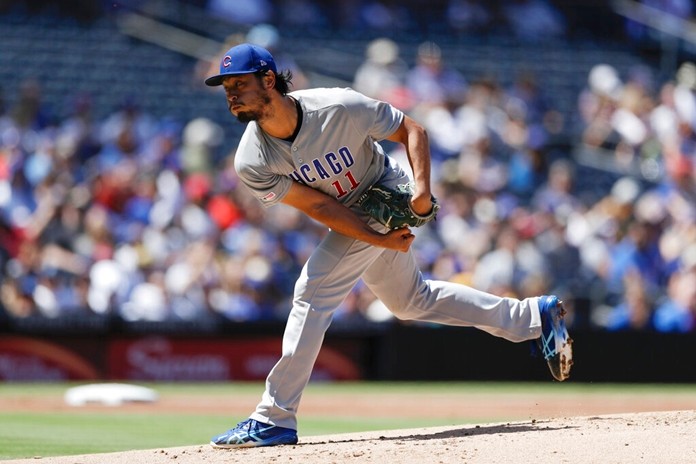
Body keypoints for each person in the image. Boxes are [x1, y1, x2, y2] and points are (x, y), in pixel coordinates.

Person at [204, 43, 573, 448]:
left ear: (269, 80)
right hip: (350, 212)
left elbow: (411, 130)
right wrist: (378, 239)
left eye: (239, 83)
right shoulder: (251, 159)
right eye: (227, 87)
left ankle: (274, 417)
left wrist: (422, 191)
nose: (231, 94)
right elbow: (319, 206)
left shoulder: (337, 106)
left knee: (312, 291)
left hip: (384, 190)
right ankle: (532, 317)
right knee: (411, 301)